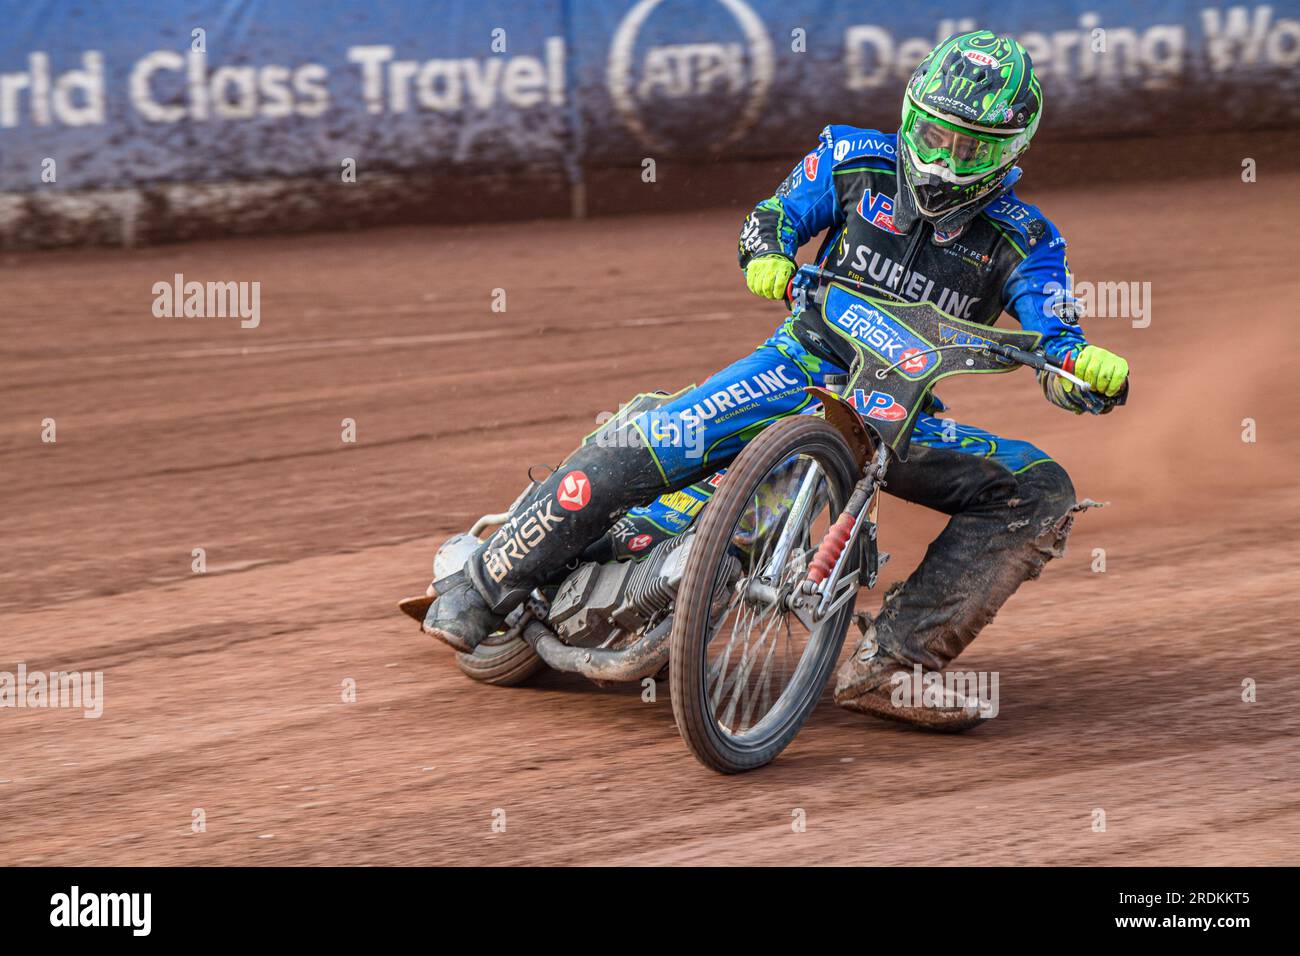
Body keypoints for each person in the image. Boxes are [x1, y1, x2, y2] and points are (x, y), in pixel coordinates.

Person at [424, 31, 1130, 729]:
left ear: (1008, 154)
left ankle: (892, 666)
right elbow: (773, 217)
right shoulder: (856, 157)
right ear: (911, 114)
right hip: (796, 364)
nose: (944, 160)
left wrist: (1083, 374)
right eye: (935, 135)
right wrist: (768, 254)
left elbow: (1055, 339)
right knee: (646, 438)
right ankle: (484, 584)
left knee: (1039, 489)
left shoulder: (1028, 240)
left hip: (900, 408)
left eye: (969, 148)